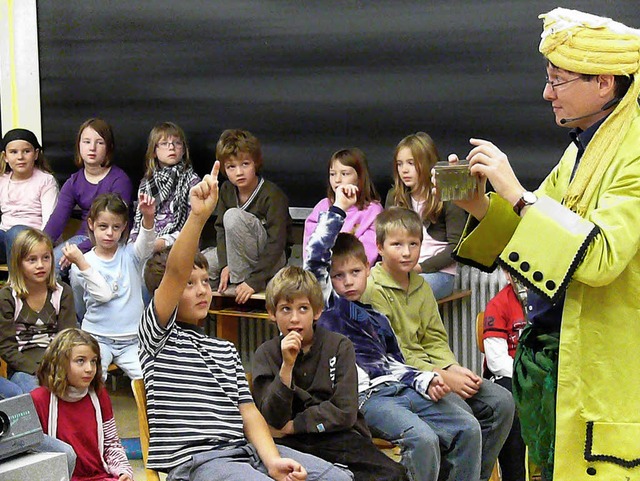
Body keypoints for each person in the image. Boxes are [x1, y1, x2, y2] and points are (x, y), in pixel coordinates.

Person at [445, 8, 640, 480]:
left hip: (598, 358)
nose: (546, 92)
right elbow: (533, 226)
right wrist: (482, 207)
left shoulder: (633, 148)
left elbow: (600, 258)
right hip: (551, 358)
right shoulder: (583, 146)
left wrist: (515, 192)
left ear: (604, 83)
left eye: (558, 79)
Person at [139, 160, 352, 480]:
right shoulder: (157, 336)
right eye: (189, 284)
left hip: (246, 451)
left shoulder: (224, 349)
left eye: (204, 282)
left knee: (338, 477)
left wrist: (272, 461)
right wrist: (197, 217)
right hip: (198, 461)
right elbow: (175, 270)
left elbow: (249, 413)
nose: (202, 291)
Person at [305, 183, 485, 481]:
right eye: (338, 276)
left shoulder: (376, 319)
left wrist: (425, 380)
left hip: (399, 387)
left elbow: (393, 364)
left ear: (367, 268)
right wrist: (339, 208)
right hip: (366, 398)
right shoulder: (330, 308)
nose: (348, 282)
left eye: (355, 273)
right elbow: (315, 257)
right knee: (423, 439)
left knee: (468, 428)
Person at [362, 207, 514, 481]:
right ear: (380, 248)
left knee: (501, 401)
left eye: (413, 244)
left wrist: (452, 368)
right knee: (461, 411)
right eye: (397, 245)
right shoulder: (373, 290)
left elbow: (434, 338)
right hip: (404, 379)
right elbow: (393, 355)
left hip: (434, 370)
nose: (406, 252)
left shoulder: (421, 286)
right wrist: (440, 376)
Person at [252, 265, 407, 481]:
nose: (295, 319)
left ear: (317, 312)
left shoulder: (339, 346)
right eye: (286, 309)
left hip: (338, 437)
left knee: (393, 474)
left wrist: (295, 425)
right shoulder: (265, 354)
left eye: (303, 309)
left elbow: (345, 410)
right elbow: (272, 418)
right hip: (290, 445)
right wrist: (287, 366)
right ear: (272, 314)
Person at [65, 192, 156, 380]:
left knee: (149, 378)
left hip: (132, 340)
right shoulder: (82, 262)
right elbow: (93, 298)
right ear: (91, 224)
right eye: (103, 226)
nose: (109, 233)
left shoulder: (130, 254)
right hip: (96, 338)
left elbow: (147, 246)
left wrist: (148, 217)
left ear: (124, 228)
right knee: (91, 377)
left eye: (116, 227)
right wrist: (81, 264)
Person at [204, 129, 294, 304]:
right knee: (200, 267)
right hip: (236, 255)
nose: (239, 172)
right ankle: (237, 278)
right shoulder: (226, 190)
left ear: (256, 163)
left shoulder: (273, 195)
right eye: (231, 167)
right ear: (223, 168)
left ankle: (242, 282)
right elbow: (221, 229)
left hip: (270, 258)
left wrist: (253, 282)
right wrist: (225, 265)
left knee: (233, 216)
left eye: (245, 164)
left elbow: (277, 243)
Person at [31, 328, 134, 481]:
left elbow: (111, 444)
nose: (89, 369)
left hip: (100, 476)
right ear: (60, 363)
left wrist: (123, 471)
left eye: (93, 361)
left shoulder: (99, 395)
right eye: (80, 361)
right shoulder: (38, 399)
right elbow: (32, 454)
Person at [44, 118, 134, 275]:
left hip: (111, 240)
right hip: (82, 239)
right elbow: (57, 221)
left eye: (99, 143)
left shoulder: (120, 180)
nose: (92, 148)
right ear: (79, 146)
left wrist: (77, 251)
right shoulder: (74, 181)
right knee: (45, 266)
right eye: (86, 142)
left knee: (57, 267)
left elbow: (117, 225)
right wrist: (38, 247)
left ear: (109, 148)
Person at [385, 132, 466, 300]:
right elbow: (386, 238)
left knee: (403, 297)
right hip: (401, 270)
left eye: (411, 163)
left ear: (427, 163)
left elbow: (456, 248)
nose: (404, 170)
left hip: (438, 273)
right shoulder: (394, 196)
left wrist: (419, 267)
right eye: (400, 164)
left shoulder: (447, 196)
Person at [0, 228, 75, 394]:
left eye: (46, 258)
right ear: (18, 263)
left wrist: (57, 367)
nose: (40, 265)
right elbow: (6, 347)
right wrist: (37, 370)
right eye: (32, 260)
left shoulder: (62, 292)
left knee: (82, 390)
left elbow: (68, 337)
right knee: (39, 395)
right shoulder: (8, 296)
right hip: (23, 367)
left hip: (57, 362)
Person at [482, 270, 527, 481]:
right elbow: (496, 361)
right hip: (508, 373)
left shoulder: (551, 304)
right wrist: (526, 376)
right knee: (510, 403)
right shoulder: (498, 304)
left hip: (543, 373)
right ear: (507, 274)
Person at [303, 148, 382, 266]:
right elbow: (310, 251)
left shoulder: (373, 210)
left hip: (355, 276)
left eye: (344, 174)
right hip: (323, 274)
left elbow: (366, 256)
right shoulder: (321, 207)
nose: (337, 180)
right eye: (332, 174)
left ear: (360, 177)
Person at [129, 121, 201, 252]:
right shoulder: (147, 183)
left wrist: (162, 242)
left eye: (177, 143)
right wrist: (132, 244)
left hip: (178, 244)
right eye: (164, 144)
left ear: (184, 150)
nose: (171, 147)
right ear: (154, 151)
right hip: (147, 240)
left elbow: (193, 228)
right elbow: (138, 223)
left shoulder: (192, 181)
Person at [0, 128, 59, 267]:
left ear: (36, 154)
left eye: (26, 151)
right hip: (5, 240)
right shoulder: (2, 180)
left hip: (33, 241)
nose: (20, 157)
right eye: (14, 152)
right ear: (5, 157)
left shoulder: (46, 180)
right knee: (11, 233)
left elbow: (50, 219)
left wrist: (43, 245)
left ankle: (16, 284)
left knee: (16, 232)